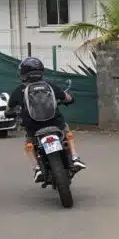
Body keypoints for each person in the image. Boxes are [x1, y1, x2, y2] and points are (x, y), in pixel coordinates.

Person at [7, 56, 87, 184]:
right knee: (67, 132)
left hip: (33, 127)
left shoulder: (19, 90)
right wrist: (69, 98)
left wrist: (12, 113)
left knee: (29, 144)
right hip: (55, 123)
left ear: (23, 73)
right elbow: (67, 98)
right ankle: (75, 157)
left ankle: (37, 168)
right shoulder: (49, 85)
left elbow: (9, 109)